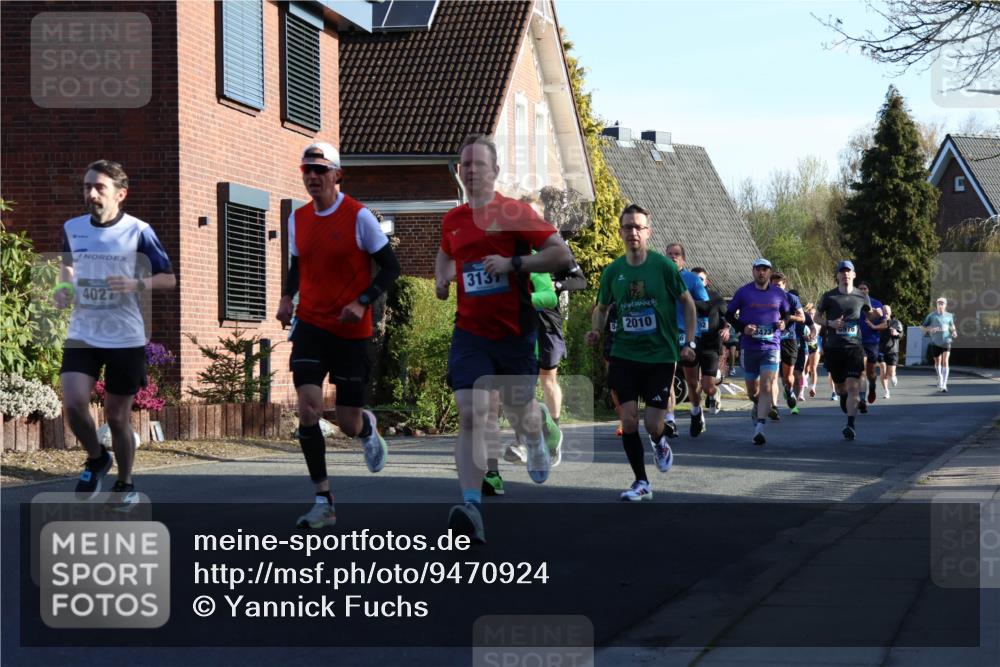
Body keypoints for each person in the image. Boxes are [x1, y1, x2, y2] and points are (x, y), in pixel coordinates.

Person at [435, 134, 572, 542]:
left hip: (513, 332)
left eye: (479, 164)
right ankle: (471, 505)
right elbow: (446, 252)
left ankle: (542, 431)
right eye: (465, 164)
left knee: (520, 412)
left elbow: (561, 255)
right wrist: (442, 276)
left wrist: (513, 263)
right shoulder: (453, 220)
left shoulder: (513, 212)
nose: (471, 170)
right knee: (471, 412)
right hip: (470, 333)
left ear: (494, 171)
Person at [276, 142, 400, 529]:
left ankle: (366, 428)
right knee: (309, 408)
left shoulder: (358, 216)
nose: (312, 176)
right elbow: (297, 265)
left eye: (319, 169)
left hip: (350, 331)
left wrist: (363, 302)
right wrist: (285, 298)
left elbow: (391, 268)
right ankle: (323, 500)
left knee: (346, 421)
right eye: (306, 170)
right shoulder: (298, 219)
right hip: (311, 325)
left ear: (337, 174)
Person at [56, 160, 176, 509]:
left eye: (99, 188)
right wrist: (64, 286)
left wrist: (136, 283)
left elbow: (168, 278)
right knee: (75, 404)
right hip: (83, 332)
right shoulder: (73, 227)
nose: (90, 193)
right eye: (86, 186)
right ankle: (96, 458)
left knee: (116, 417)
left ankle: (125, 483)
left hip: (124, 336)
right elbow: (68, 265)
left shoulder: (139, 231)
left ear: (120, 194)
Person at [586, 204, 696, 501]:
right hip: (624, 354)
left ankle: (659, 441)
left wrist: (689, 341)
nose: (633, 232)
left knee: (652, 423)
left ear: (648, 232)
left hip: (660, 355)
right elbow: (602, 308)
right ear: (621, 232)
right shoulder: (613, 272)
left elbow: (687, 303)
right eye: (627, 227)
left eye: (638, 227)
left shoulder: (663, 267)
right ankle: (641, 481)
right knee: (630, 420)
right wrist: (597, 330)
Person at [813, 260, 884, 440]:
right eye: (842, 272)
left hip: (854, 347)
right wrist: (830, 323)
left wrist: (882, 313)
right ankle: (843, 397)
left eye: (848, 272)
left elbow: (869, 314)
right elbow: (817, 317)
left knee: (853, 386)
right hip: (834, 348)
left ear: (853, 275)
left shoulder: (861, 296)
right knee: (840, 388)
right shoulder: (829, 296)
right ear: (837, 276)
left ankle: (850, 424)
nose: (845, 275)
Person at [725, 258, 793, 446]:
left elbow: (787, 313)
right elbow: (729, 314)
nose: (762, 273)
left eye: (765, 269)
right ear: (753, 271)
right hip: (749, 347)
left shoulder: (779, 293)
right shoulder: (743, 292)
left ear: (769, 272)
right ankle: (757, 405)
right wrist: (743, 328)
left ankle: (760, 428)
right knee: (752, 391)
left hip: (771, 346)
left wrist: (784, 323)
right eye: (758, 269)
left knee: (766, 387)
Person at [664, 243, 709, 438]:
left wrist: (687, 299)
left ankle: (696, 411)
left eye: (677, 254)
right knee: (665, 380)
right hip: (666, 335)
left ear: (683, 259)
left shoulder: (692, 279)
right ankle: (670, 420)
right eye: (670, 254)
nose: (673, 257)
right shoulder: (659, 278)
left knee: (691, 381)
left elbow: (706, 305)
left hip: (688, 334)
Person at [690, 267, 730, 415]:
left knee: (707, 386)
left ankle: (714, 392)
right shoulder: (685, 296)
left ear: (706, 282)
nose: (697, 281)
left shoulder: (715, 297)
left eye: (700, 279)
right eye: (694, 278)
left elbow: (728, 316)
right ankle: (696, 410)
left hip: (710, 344)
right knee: (693, 383)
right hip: (691, 344)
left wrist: (726, 328)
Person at [768, 273, 806, 418]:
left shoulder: (792, 298)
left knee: (788, 378)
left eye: (779, 285)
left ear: (784, 285)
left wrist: (788, 317)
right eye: (774, 285)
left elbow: (802, 318)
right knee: (773, 376)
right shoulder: (766, 298)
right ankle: (774, 407)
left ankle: (789, 390)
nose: (777, 287)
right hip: (772, 340)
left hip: (789, 339)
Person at [855, 281, 886, 411]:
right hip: (857, 342)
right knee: (861, 371)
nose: (862, 290)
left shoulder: (876, 304)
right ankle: (862, 400)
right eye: (860, 288)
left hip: (872, 341)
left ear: (868, 290)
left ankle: (872, 386)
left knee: (871, 372)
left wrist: (874, 326)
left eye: (865, 288)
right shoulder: (853, 303)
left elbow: (885, 324)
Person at [922, 297, 958, 392]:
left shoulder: (949, 315)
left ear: (945, 305)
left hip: (947, 341)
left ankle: (944, 384)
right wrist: (930, 329)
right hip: (935, 341)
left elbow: (951, 325)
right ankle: (940, 377)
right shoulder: (931, 316)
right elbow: (922, 327)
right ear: (937, 305)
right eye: (939, 303)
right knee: (938, 362)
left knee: (945, 361)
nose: (940, 305)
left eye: (942, 304)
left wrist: (954, 331)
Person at [878, 305, 903, 398]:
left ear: (890, 312)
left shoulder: (896, 322)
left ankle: (893, 376)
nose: (886, 313)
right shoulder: (878, 322)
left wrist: (896, 333)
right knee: (882, 370)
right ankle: (886, 391)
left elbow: (901, 334)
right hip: (880, 350)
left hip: (893, 350)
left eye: (887, 311)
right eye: (884, 311)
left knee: (891, 373)